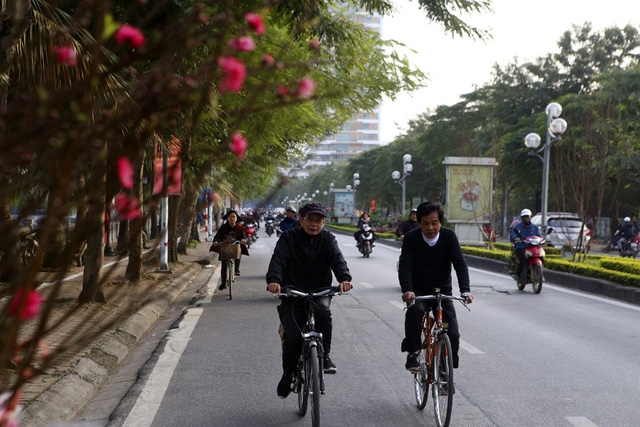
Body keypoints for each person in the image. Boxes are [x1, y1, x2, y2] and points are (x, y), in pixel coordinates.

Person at [266, 202, 353, 399]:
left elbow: (337, 259)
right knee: (294, 338)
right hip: (292, 293)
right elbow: (278, 260)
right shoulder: (289, 238)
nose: (314, 224)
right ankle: (287, 376)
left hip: (320, 291)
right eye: (310, 219)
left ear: (323, 222)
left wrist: (344, 278)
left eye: (319, 220)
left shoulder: (328, 239)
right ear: (301, 219)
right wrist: (274, 280)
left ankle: (326, 356)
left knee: (323, 314)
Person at [398, 202, 473, 372]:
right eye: (425, 223)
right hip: (419, 290)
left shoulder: (449, 237)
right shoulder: (411, 238)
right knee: (414, 311)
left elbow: (460, 264)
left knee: (452, 333)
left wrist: (465, 290)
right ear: (419, 222)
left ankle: (445, 371)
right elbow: (405, 267)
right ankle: (412, 352)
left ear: (440, 222)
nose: (430, 227)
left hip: (443, 291)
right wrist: (407, 290)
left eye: (434, 222)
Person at [210, 210, 246, 289]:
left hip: (235, 246)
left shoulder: (240, 227)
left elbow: (243, 236)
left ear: (236, 218)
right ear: (227, 218)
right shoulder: (224, 227)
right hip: (225, 246)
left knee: (238, 252)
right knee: (224, 265)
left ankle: (236, 270)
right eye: (230, 217)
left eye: (234, 217)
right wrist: (216, 241)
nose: (232, 218)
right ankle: (223, 283)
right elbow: (218, 235)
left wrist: (243, 239)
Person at [509, 208, 541, 281]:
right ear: (522, 218)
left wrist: (542, 239)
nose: (526, 218)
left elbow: (539, 236)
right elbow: (513, 235)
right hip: (521, 247)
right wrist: (515, 238)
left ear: (531, 217)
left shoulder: (535, 227)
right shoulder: (517, 227)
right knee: (524, 257)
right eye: (524, 217)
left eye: (527, 216)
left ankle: (540, 272)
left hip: (533, 247)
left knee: (542, 254)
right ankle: (518, 274)